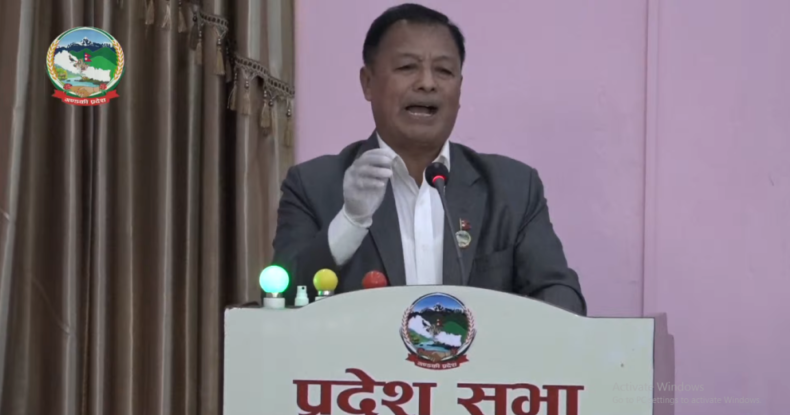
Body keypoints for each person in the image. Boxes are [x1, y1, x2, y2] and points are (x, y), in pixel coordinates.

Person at [272, 3, 586, 315]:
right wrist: (351, 222)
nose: (427, 83)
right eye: (407, 67)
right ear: (368, 83)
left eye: (444, 71)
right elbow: (280, 301)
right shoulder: (313, 186)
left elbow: (561, 297)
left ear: (459, 88)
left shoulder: (514, 189)